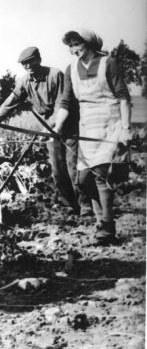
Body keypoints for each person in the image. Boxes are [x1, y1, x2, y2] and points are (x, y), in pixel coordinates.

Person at [0, 46, 83, 215]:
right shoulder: (24, 81)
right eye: (24, 64)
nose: (27, 66)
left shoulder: (55, 75)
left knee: (74, 168)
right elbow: (9, 104)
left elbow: (61, 105)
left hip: (69, 125)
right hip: (49, 129)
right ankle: (69, 206)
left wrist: (49, 128)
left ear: (39, 59)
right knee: (58, 169)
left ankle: (85, 206)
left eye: (30, 62)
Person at [53, 30, 132, 245]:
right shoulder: (72, 70)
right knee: (83, 180)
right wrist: (57, 127)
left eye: (76, 44)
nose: (73, 49)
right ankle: (104, 223)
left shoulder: (109, 63)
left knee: (100, 175)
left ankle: (105, 226)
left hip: (110, 123)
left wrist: (125, 129)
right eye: (70, 46)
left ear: (89, 44)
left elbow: (123, 97)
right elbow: (66, 102)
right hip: (87, 127)